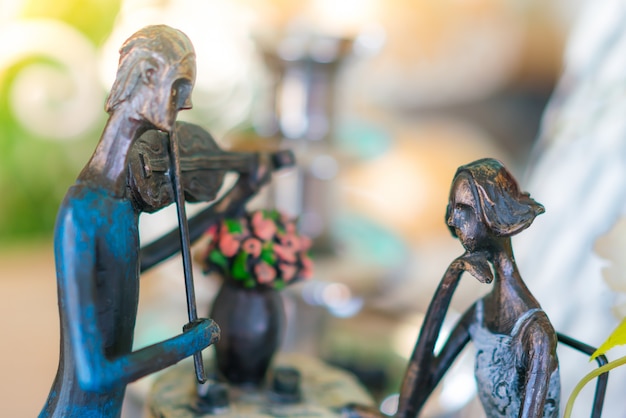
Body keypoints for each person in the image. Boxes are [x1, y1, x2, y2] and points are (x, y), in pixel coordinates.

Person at [40, 25, 274, 418]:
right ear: (148, 75)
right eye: (179, 87)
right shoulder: (82, 211)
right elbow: (95, 375)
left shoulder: (119, 198)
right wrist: (187, 344)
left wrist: (235, 200)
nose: (185, 104)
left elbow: (142, 261)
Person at [396, 158, 560, 417]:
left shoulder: (535, 334)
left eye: (464, 209)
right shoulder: (481, 314)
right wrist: (450, 278)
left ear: (492, 214)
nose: (452, 219)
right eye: (452, 208)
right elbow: (409, 405)